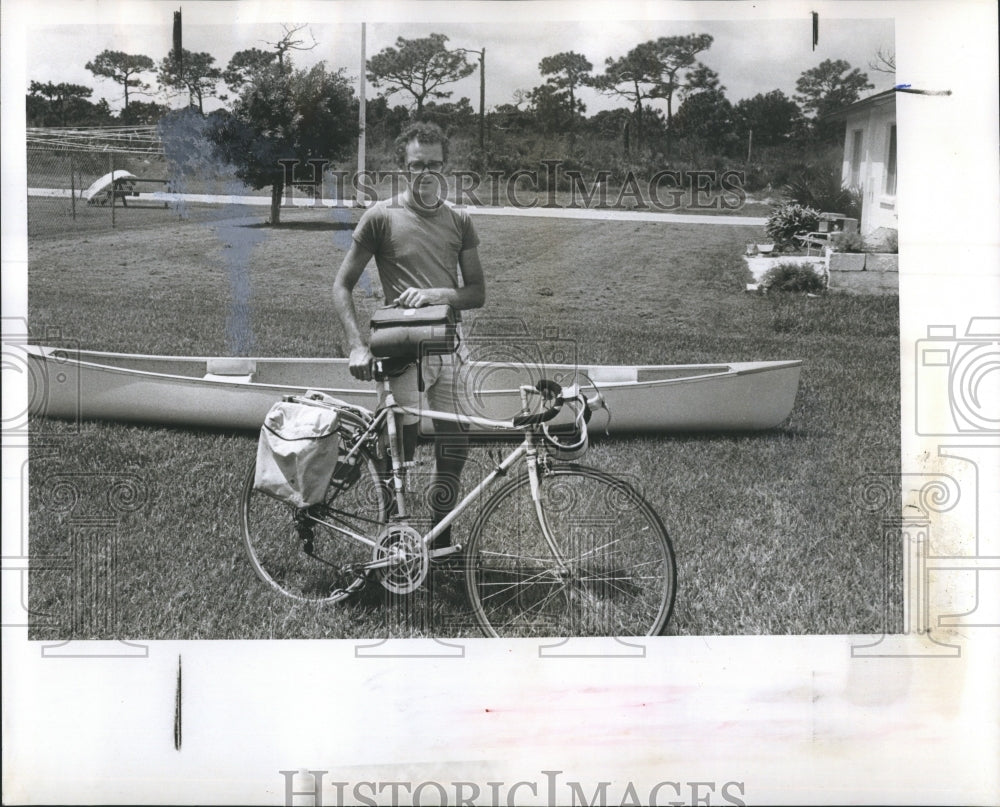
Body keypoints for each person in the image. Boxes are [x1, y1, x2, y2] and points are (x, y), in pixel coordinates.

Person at [333, 122, 486, 554]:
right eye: (417, 165)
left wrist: (437, 294)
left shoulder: (459, 220)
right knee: (398, 450)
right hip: (402, 350)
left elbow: (477, 292)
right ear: (403, 167)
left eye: (434, 165)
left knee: (455, 447)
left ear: (445, 167)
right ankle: (392, 541)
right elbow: (341, 285)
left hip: (449, 345)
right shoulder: (380, 217)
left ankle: (439, 542)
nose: (426, 173)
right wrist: (357, 345)